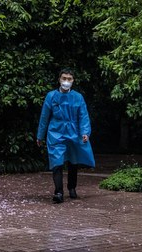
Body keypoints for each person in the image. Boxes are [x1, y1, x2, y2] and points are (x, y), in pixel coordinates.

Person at [36, 68, 95, 203]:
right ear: (59, 79)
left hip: (74, 132)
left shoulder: (78, 97)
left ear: (73, 81)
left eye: (69, 79)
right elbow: (44, 117)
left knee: (73, 162)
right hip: (56, 132)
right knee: (56, 162)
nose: (66, 81)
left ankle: (72, 188)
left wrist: (85, 132)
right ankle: (58, 192)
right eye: (64, 78)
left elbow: (83, 116)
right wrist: (40, 136)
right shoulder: (51, 96)